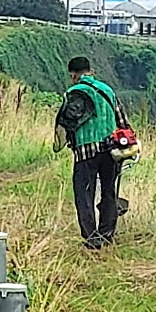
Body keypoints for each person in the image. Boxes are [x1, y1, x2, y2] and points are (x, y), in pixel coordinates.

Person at [54, 56, 123, 249]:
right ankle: (107, 233)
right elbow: (121, 120)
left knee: (84, 194)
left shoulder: (73, 93)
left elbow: (65, 124)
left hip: (86, 152)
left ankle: (91, 238)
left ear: (74, 75)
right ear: (90, 71)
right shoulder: (107, 90)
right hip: (111, 150)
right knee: (109, 191)